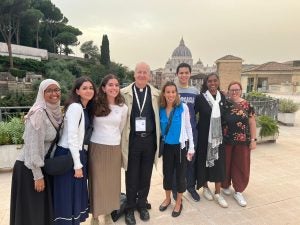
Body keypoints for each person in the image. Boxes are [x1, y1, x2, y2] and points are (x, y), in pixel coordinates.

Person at [10, 79, 62, 225]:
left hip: (41, 166)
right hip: (30, 169)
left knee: (40, 211)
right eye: (49, 90)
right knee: (32, 212)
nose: (54, 94)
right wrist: (37, 175)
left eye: (56, 90)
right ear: (42, 93)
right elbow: (33, 146)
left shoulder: (55, 112)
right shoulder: (39, 113)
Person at [52, 77, 96, 225]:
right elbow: (72, 137)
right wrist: (77, 165)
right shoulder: (76, 107)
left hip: (76, 154)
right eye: (84, 88)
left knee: (74, 195)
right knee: (67, 195)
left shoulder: (84, 108)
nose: (89, 90)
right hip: (69, 155)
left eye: (91, 87)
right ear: (77, 91)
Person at [121, 62, 160, 225]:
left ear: (149, 75)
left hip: (149, 140)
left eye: (145, 72)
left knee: (146, 175)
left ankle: (142, 204)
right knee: (131, 175)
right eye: (139, 72)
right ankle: (130, 208)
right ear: (134, 74)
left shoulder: (156, 94)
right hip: (133, 140)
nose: (142, 75)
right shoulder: (124, 93)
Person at [89, 74, 128, 225]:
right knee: (97, 182)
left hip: (114, 147)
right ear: (104, 88)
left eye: (116, 85)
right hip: (97, 147)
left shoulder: (123, 108)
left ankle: (108, 214)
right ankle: (95, 215)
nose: (114, 88)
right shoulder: (95, 104)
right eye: (110, 85)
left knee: (112, 183)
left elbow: (121, 127)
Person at [158, 81, 195, 217]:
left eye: (173, 92)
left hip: (180, 147)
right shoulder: (160, 108)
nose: (171, 94)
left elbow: (188, 128)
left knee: (180, 176)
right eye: (168, 92)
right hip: (167, 147)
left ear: (176, 93)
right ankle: (168, 199)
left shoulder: (183, 107)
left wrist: (191, 147)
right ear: (164, 93)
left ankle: (179, 202)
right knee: (167, 174)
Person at [194, 73, 228, 208]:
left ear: (218, 82)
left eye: (215, 81)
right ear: (206, 83)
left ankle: (218, 192)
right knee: (204, 162)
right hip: (204, 137)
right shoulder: (200, 98)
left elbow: (226, 116)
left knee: (218, 163)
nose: (212, 83)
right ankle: (205, 187)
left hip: (218, 138)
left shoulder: (222, 97)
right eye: (210, 81)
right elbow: (192, 115)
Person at [221, 81, 256, 207]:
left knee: (241, 165)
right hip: (227, 140)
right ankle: (225, 185)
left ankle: (238, 190)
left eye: (237, 90)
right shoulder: (225, 104)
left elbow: (252, 123)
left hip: (243, 141)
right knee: (226, 163)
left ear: (241, 90)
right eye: (232, 90)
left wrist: (253, 140)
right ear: (228, 91)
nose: (234, 92)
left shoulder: (247, 105)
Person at [173, 62, 200, 202]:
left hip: (191, 132)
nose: (183, 75)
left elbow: (198, 111)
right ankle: (175, 187)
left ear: (190, 74)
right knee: (176, 161)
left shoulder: (195, 91)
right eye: (181, 73)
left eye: (186, 72)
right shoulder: (172, 90)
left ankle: (191, 186)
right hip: (176, 132)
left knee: (191, 160)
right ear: (177, 74)